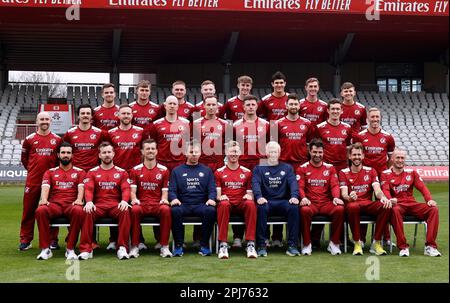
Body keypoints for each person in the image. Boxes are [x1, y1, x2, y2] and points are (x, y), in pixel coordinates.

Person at [381, 149, 441, 257]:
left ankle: (430, 247)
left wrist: (429, 200)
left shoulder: (412, 173)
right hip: (398, 204)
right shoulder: (385, 174)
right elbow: (385, 190)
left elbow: (423, 188)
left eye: (402, 158)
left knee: (433, 209)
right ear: (392, 159)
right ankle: (403, 247)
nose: (400, 160)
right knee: (394, 210)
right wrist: (390, 199)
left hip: (411, 204)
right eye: (398, 157)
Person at [78, 142, 131, 260]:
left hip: (115, 205)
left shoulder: (122, 172)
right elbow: (89, 189)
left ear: (113, 154)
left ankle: (122, 247)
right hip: (98, 206)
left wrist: (124, 200)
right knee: (87, 211)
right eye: (104, 152)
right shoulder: (92, 172)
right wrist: (89, 201)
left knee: (125, 211)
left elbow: (126, 189)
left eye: (109, 152)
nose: (106, 155)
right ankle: (86, 249)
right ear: (99, 155)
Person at [19, 111, 62, 251]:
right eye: (41, 119)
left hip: (52, 183)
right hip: (33, 181)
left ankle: (52, 240)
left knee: (51, 212)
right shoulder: (29, 139)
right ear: (37, 122)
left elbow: (58, 161)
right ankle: (26, 239)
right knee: (29, 211)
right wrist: (33, 171)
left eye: (46, 119)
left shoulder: (57, 140)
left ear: (51, 121)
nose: (44, 121)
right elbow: (24, 160)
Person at [35, 142, 86, 260]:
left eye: (68, 153)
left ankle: (70, 248)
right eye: (63, 152)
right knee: (41, 210)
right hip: (55, 205)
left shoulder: (80, 172)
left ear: (72, 155)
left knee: (78, 211)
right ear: (58, 155)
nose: (66, 155)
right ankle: (45, 249)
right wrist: (43, 200)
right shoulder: (50, 172)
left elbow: (81, 188)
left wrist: (79, 199)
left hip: (71, 204)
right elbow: (45, 188)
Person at [338, 143, 390, 256]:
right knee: (353, 206)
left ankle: (376, 243)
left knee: (385, 206)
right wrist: (350, 197)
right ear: (349, 156)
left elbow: (377, 190)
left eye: (359, 154)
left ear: (363, 156)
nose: (357, 157)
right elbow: (344, 194)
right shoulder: (343, 172)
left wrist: (384, 198)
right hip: (353, 205)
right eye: (354, 155)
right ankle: (357, 243)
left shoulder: (371, 171)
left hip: (367, 204)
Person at [353, 107, 396, 244]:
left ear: (380, 118)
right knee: (363, 205)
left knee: (384, 204)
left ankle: (385, 238)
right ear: (367, 119)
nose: (375, 119)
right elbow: (356, 155)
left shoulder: (388, 137)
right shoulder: (360, 136)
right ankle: (361, 238)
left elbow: (390, 159)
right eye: (372, 117)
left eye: (377, 117)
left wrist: (386, 174)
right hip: (364, 176)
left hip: (381, 177)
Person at [233, 94, 270, 247]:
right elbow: (231, 146)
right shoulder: (234, 125)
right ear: (243, 107)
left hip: (260, 164)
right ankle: (237, 236)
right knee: (242, 199)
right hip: (242, 165)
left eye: (253, 105)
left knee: (262, 199)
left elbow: (270, 146)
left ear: (257, 106)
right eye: (247, 105)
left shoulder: (266, 125)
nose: (250, 107)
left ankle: (264, 236)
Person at [297, 138, 345, 256]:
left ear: (323, 153)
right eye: (315, 152)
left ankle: (334, 243)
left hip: (325, 203)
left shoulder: (330, 168)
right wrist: (303, 198)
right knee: (304, 210)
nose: (317, 155)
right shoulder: (302, 168)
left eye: (320, 152)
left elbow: (334, 185)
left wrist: (335, 197)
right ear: (309, 151)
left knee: (339, 208)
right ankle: (307, 244)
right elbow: (300, 187)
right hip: (311, 203)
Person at [252, 141, 300, 257]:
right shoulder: (259, 168)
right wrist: (259, 197)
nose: (273, 154)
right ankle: (261, 245)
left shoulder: (287, 168)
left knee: (294, 208)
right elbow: (255, 183)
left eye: (275, 151)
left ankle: (292, 245)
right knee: (261, 208)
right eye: (271, 151)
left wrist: (294, 196)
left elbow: (293, 183)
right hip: (266, 201)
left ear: (279, 153)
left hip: (283, 201)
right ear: (266, 153)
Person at [169, 141, 217, 257]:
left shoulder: (207, 170)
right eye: (191, 152)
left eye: (196, 152)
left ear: (200, 153)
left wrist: (211, 198)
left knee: (210, 210)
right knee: (175, 210)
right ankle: (179, 246)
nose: (194, 154)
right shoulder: (177, 171)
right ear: (186, 153)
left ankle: (204, 245)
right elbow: (171, 190)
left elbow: (212, 189)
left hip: (200, 204)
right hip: (183, 204)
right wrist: (174, 198)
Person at [128, 139, 172, 258]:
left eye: (153, 148)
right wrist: (134, 199)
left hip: (157, 203)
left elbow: (165, 191)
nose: (150, 151)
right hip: (142, 203)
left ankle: (164, 246)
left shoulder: (164, 170)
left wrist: (164, 199)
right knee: (134, 209)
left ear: (157, 151)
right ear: (142, 151)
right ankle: (135, 246)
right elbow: (132, 191)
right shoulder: (135, 170)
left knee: (166, 209)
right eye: (147, 149)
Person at [215, 141, 257, 259]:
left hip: (240, 202)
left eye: (236, 151)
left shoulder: (247, 172)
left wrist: (249, 197)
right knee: (222, 204)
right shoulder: (219, 172)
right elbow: (218, 195)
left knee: (250, 204)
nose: (233, 154)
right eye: (231, 151)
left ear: (240, 153)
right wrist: (220, 197)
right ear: (226, 153)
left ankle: (250, 244)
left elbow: (249, 193)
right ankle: (223, 245)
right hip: (227, 202)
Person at [148, 95, 191, 172]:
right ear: (165, 106)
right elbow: (154, 143)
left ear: (178, 106)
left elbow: (188, 142)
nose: (172, 106)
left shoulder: (186, 124)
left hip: (180, 162)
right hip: (162, 162)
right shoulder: (156, 124)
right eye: (170, 103)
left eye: (174, 104)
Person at [274, 93, 314, 172]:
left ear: (299, 106)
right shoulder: (277, 123)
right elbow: (273, 145)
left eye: (295, 104)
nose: (293, 106)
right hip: (283, 162)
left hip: (301, 162)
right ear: (286, 106)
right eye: (291, 104)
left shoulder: (307, 123)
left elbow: (309, 143)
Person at [193, 95, 231, 172]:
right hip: (201, 163)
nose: (211, 107)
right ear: (204, 106)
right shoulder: (196, 123)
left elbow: (228, 145)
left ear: (217, 106)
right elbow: (194, 144)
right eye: (208, 104)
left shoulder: (226, 124)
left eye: (213, 105)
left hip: (219, 163)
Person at [63, 104, 106, 171]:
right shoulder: (69, 133)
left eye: (88, 113)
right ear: (78, 116)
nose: (85, 115)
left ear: (91, 116)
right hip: (75, 171)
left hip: (93, 171)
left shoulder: (100, 133)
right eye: (83, 113)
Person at [314, 99, 352, 173]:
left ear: (341, 111)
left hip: (342, 165)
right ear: (328, 110)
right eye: (333, 109)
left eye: (337, 109)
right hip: (325, 164)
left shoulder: (347, 127)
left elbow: (348, 146)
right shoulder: (319, 127)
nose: (335, 111)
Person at [107, 104, 144, 172]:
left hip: (136, 171)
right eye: (123, 113)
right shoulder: (110, 133)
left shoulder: (141, 131)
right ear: (118, 115)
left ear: (132, 115)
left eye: (128, 113)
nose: (126, 116)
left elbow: (144, 151)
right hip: (117, 170)